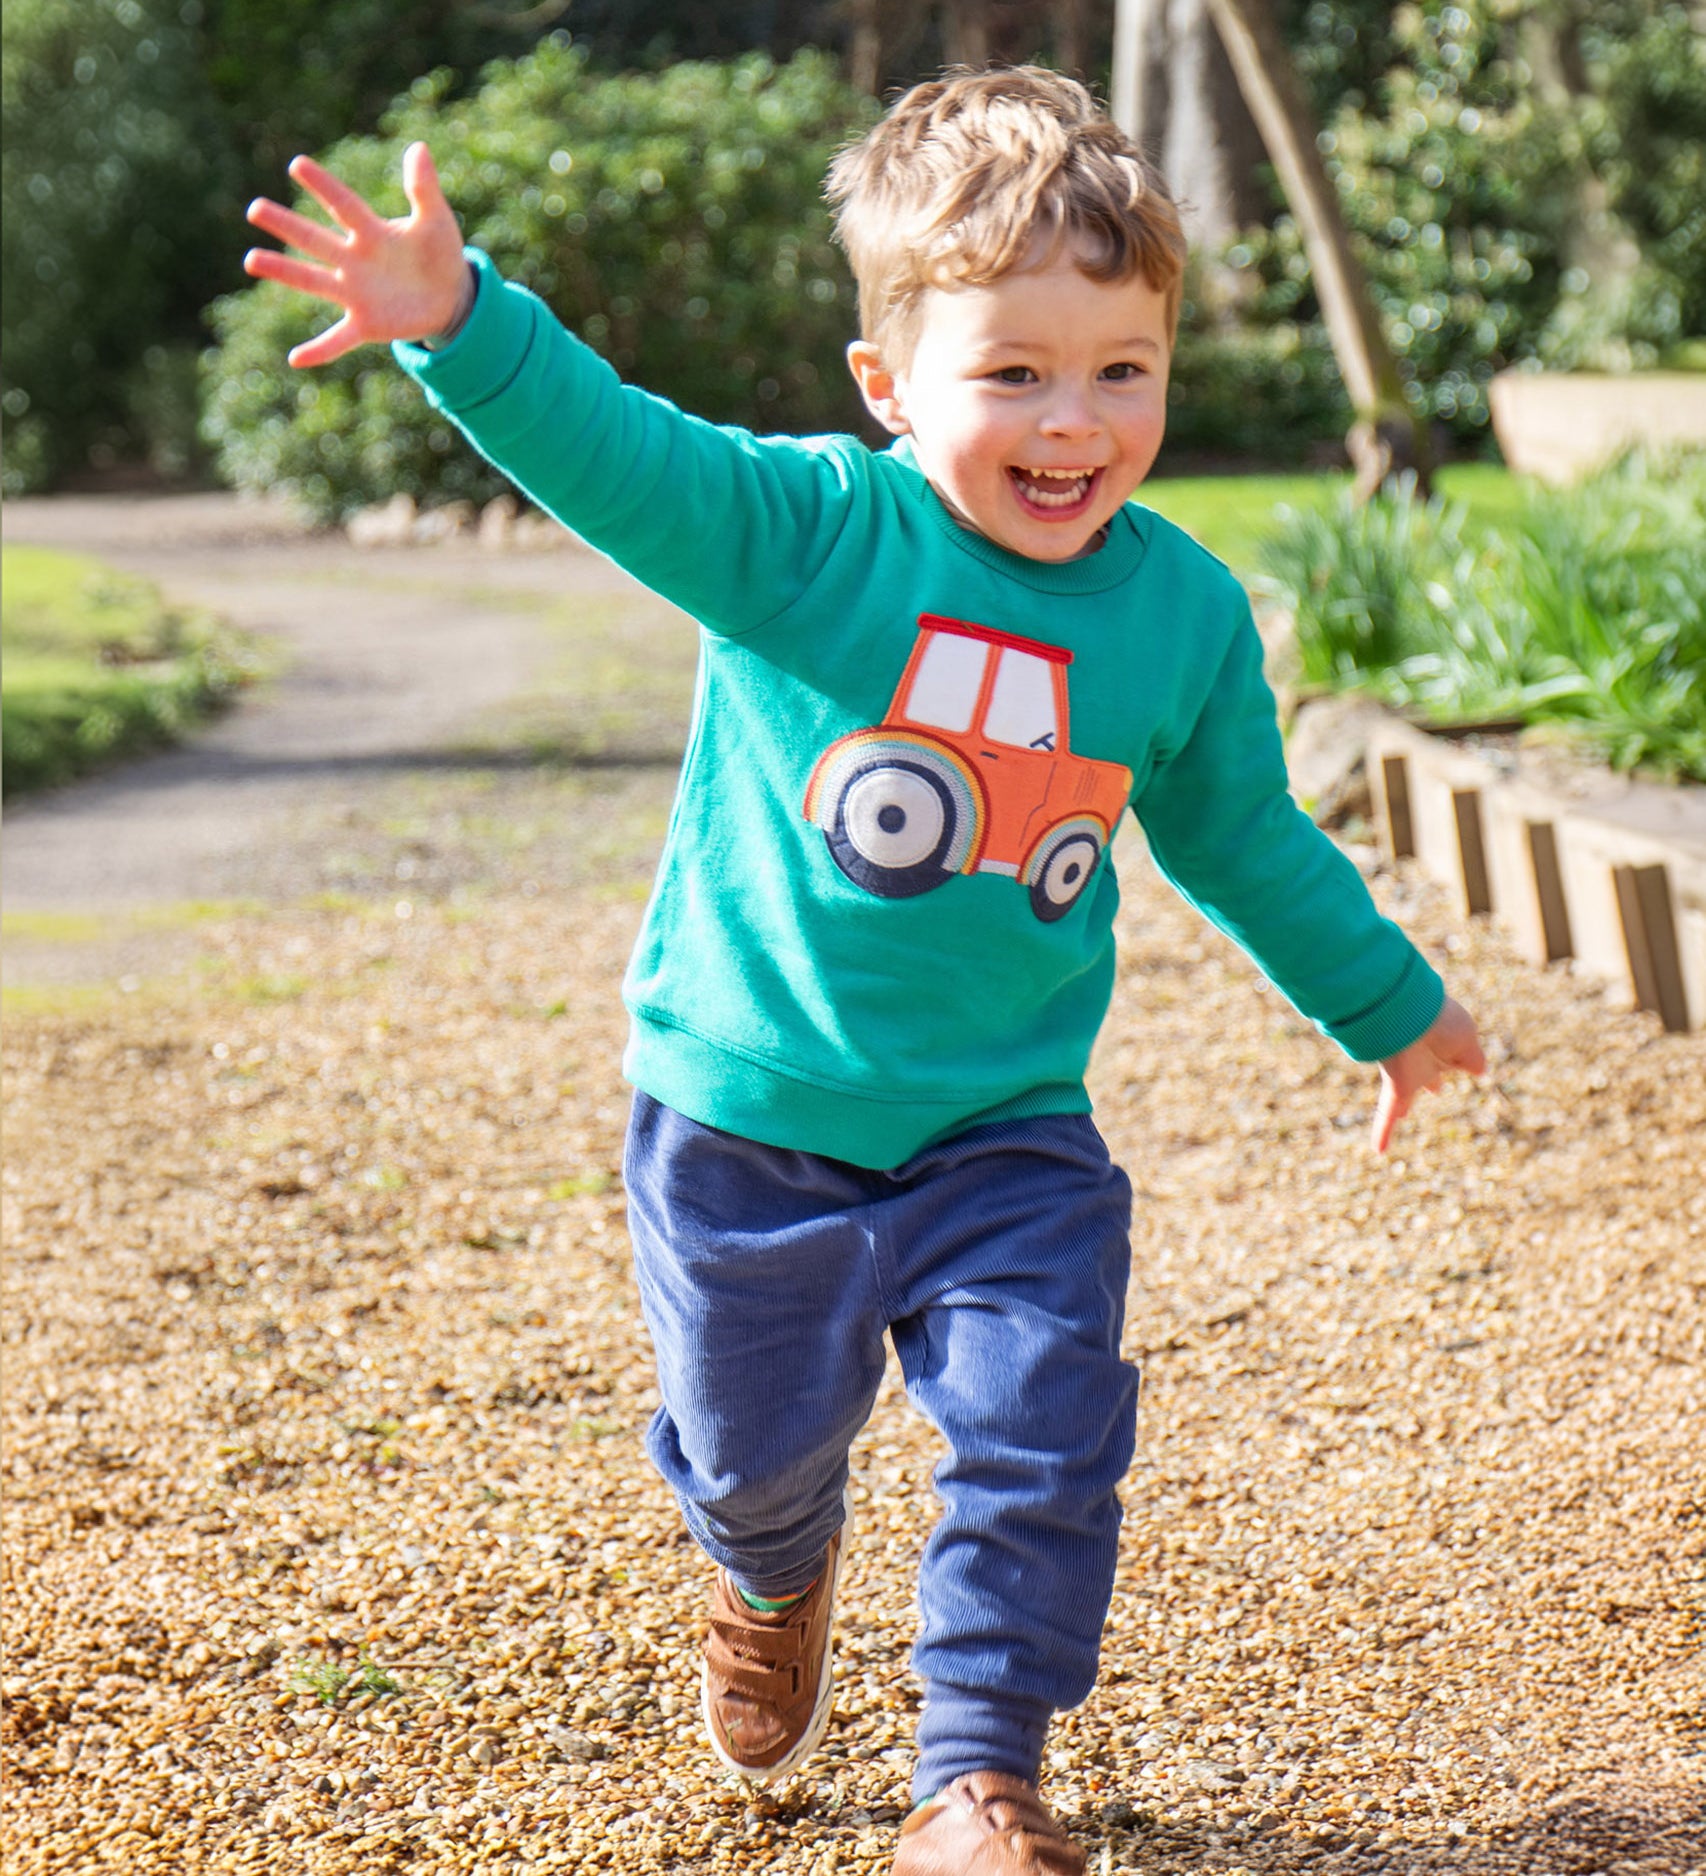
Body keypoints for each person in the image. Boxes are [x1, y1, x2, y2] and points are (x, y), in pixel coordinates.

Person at [245, 66, 1485, 1876]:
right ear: (888, 385)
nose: (1075, 424)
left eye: (1120, 370)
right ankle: (767, 1566)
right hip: (745, 1118)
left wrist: (1388, 1003)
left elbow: (1241, 835)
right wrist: (461, 321)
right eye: (1014, 373)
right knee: (752, 1454)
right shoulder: (811, 538)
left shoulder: (1178, 612)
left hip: (1006, 1130)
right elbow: (618, 448)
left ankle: (975, 1777)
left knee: (1043, 1428)